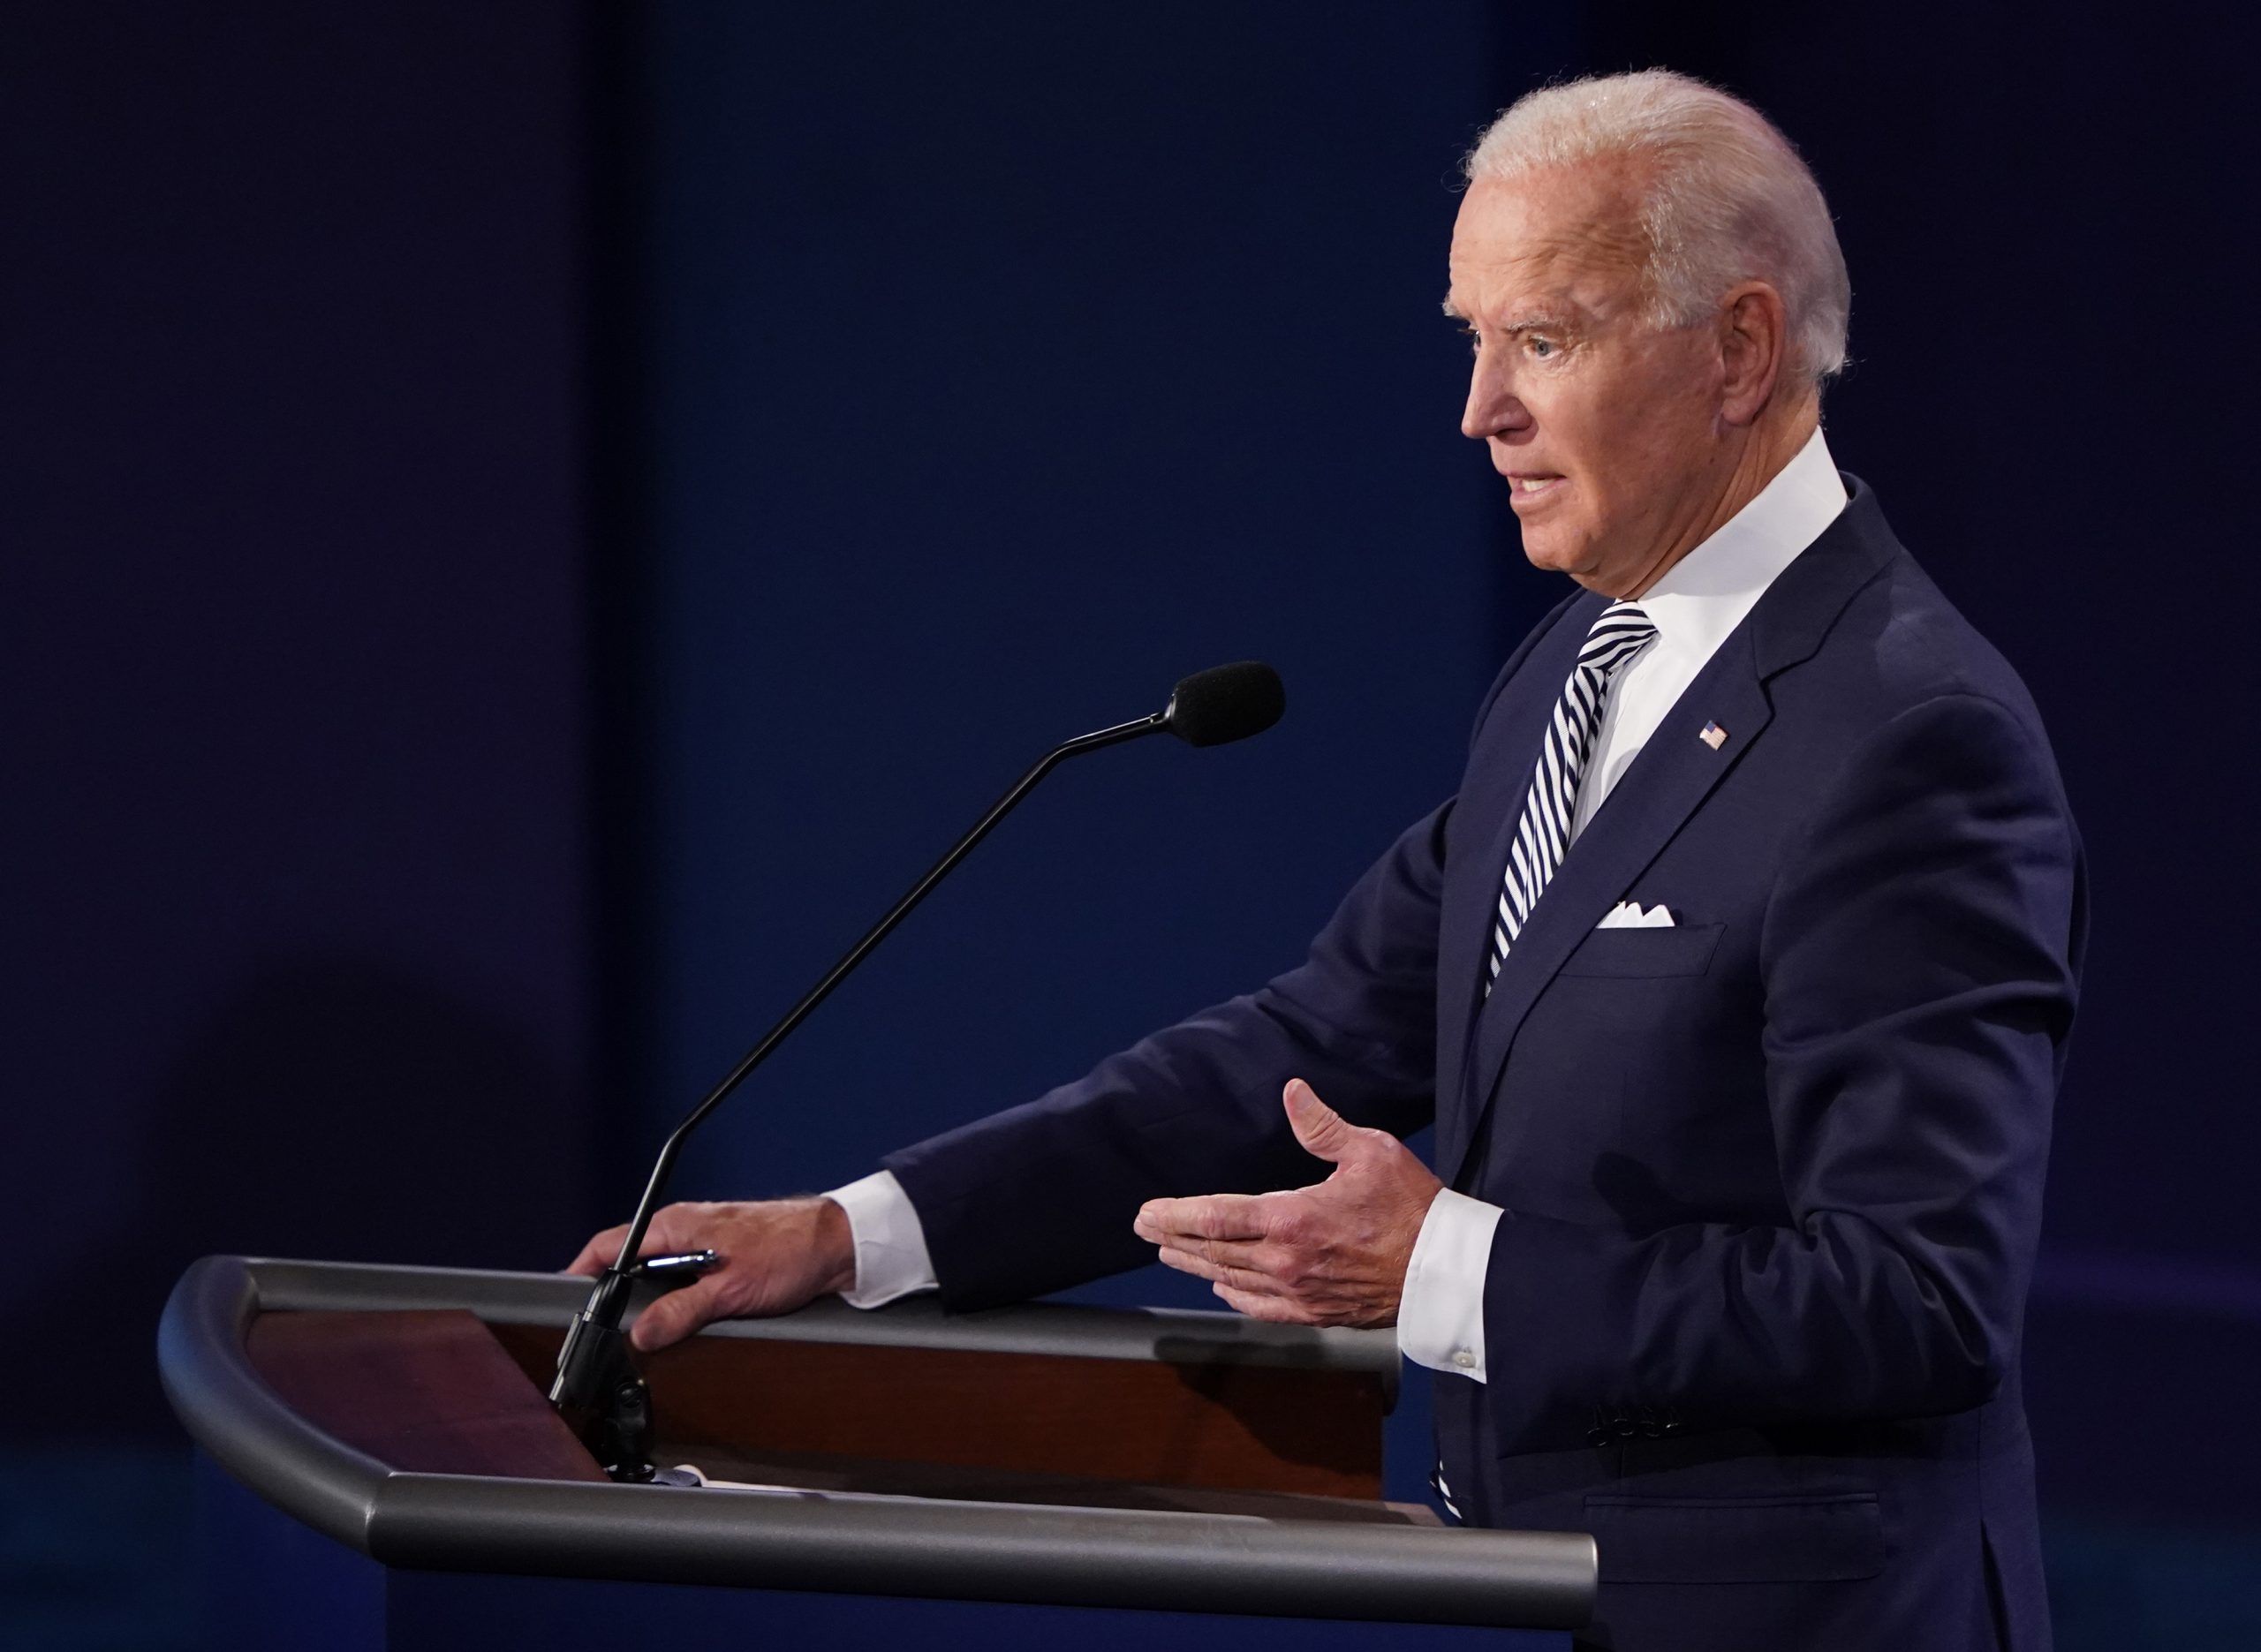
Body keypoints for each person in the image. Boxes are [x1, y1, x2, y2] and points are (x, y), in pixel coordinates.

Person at [571, 70, 2083, 1652]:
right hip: (1557, 1601)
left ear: (1740, 349)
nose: (1480, 409)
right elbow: (1309, 1047)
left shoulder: (1910, 736)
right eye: (1472, 338)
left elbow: (1916, 1301)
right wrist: (856, 1232)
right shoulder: (1577, 676)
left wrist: (1447, 1265)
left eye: (1543, 341)